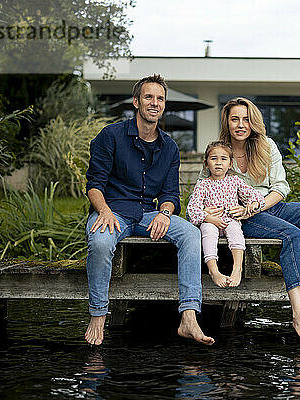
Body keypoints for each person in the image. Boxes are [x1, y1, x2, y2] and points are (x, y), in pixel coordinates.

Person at [84, 74, 214, 346]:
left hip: (147, 214)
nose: (155, 103)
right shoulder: (111, 136)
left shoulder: (169, 147)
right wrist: (104, 211)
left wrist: (165, 213)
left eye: (160, 99)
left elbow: (170, 195)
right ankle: (98, 314)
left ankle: (189, 316)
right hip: (113, 211)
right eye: (149, 97)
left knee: (190, 233)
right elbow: (94, 185)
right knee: (99, 242)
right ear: (136, 102)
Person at [200, 97, 300, 343]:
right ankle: (299, 314)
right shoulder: (219, 152)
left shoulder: (267, 146)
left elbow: (280, 187)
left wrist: (257, 206)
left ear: (254, 122)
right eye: (235, 119)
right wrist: (213, 213)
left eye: (246, 119)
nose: (241, 124)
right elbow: (204, 188)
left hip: (270, 206)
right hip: (241, 219)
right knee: (291, 234)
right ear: (227, 122)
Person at [187, 141, 264, 288]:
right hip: (210, 221)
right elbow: (192, 210)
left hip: (230, 220)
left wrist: (251, 205)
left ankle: (237, 268)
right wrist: (208, 217)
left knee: (236, 231)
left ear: (230, 164)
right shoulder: (203, 184)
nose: (218, 163)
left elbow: (256, 196)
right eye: (213, 158)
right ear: (206, 163)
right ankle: (213, 270)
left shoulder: (235, 181)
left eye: (223, 159)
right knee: (208, 231)